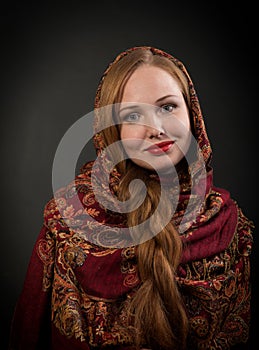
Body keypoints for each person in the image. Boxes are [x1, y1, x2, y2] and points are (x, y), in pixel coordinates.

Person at [9, 46, 254, 350]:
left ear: (192, 114)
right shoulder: (69, 223)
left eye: (168, 107)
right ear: (113, 131)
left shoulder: (232, 229)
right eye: (134, 115)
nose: (157, 129)